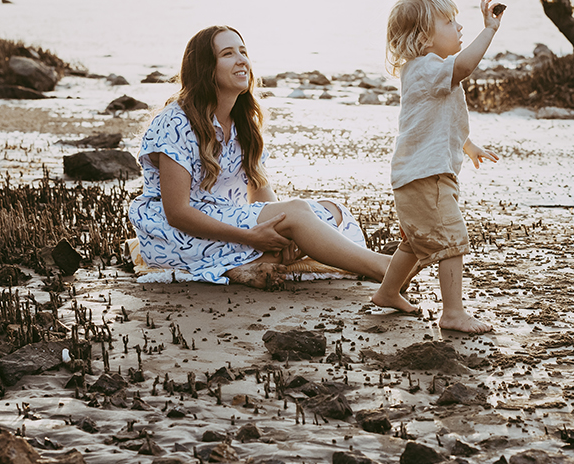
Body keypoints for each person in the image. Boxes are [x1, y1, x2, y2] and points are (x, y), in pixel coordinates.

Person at [127, 25, 393, 288]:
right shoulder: (175, 121)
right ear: (205, 68)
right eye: (228, 53)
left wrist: (283, 232)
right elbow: (177, 213)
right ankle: (384, 268)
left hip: (226, 218)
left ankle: (256, 261)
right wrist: (251, 235)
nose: (242, 60)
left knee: (332, 211)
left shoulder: (243, 122)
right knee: (298, 214)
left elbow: (261, 194)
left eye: (243, 51)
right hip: (175, 234)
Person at [372, 0, 502, 333]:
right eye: (449, 22)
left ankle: (387, 292)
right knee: (450, 238)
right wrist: (489, 31)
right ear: (423, 37)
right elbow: (465, 66)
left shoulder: (424, 72)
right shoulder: (427, 69)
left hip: (417, 175)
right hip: (425, 176)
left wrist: (468, 145)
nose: (459, 27)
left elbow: (440, 121)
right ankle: (453, 312)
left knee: (417, 242)